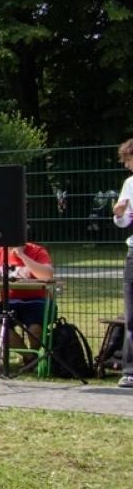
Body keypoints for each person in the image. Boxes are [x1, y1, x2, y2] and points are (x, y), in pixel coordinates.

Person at [0, 236, 54, 355]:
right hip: (9, 302)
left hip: (36, 300)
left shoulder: (37, 251)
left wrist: (22, 255)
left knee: (35, 329)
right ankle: (30, 357)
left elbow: (47, 275)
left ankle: (36, 354)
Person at [112, 138, 133, 389]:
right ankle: (130, 371)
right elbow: (124, 220)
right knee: (131, 313)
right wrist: (119, 215)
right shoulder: (129, 183)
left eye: (128, 160)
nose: (127, 166)